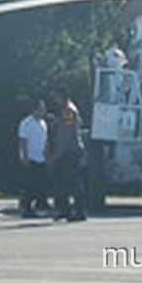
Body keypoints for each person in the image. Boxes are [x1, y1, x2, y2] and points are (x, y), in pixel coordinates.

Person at [50, 88, 87, 221]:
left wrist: (56, 155)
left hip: (70, 152)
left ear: (63, 97)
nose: (55, 100)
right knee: (62, 183)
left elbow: (67, 136)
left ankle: (79, 211)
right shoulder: (65, 111)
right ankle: (64, 210)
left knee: (72, 183)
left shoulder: (69, 111)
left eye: (57, 97)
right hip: (66, 152)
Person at [18, 99, 49, 217]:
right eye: (41, 109)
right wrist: (24, 157)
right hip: (30, 158)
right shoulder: (26, 123)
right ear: (35, 109)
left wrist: (47, 156)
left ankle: (38, 204)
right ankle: (26, 208)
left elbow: (45, 141)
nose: (43, 111)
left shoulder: (43, 123)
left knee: (39, 184)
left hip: (41, 158)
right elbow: (22, 141)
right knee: (30, 185)